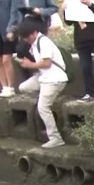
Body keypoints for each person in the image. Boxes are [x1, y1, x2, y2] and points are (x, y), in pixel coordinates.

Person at [15, 20, 68, 149]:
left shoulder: (43, 42)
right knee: (24, 87)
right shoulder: (34, 44)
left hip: (55, 79)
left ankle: (55, 138)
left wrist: (30, 65)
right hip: (44, 78)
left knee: (43, 108)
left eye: (27, 37)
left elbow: (46, 63)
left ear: (34, 33)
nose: (26, 40)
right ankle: (45, 97)